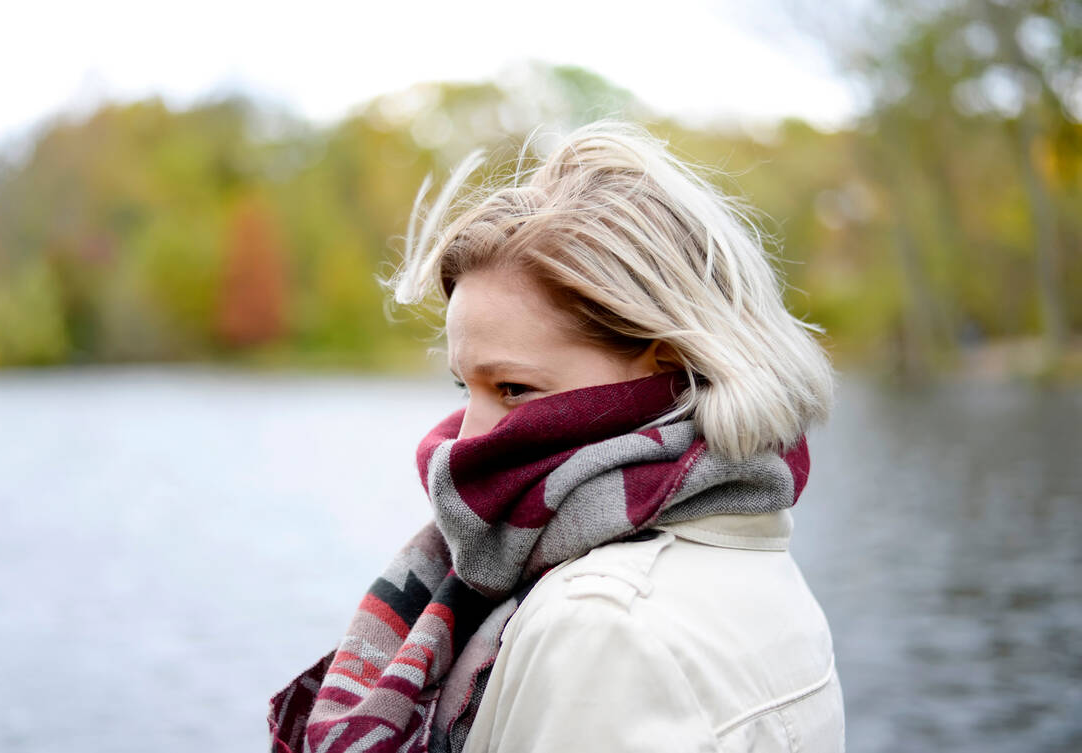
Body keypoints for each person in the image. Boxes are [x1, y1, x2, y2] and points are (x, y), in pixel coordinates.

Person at [268, 119, 845, 753]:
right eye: (465, 387)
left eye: (513, 388)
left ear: (668, 360)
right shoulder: (751, 552)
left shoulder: (601, 625)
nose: (466, 442)